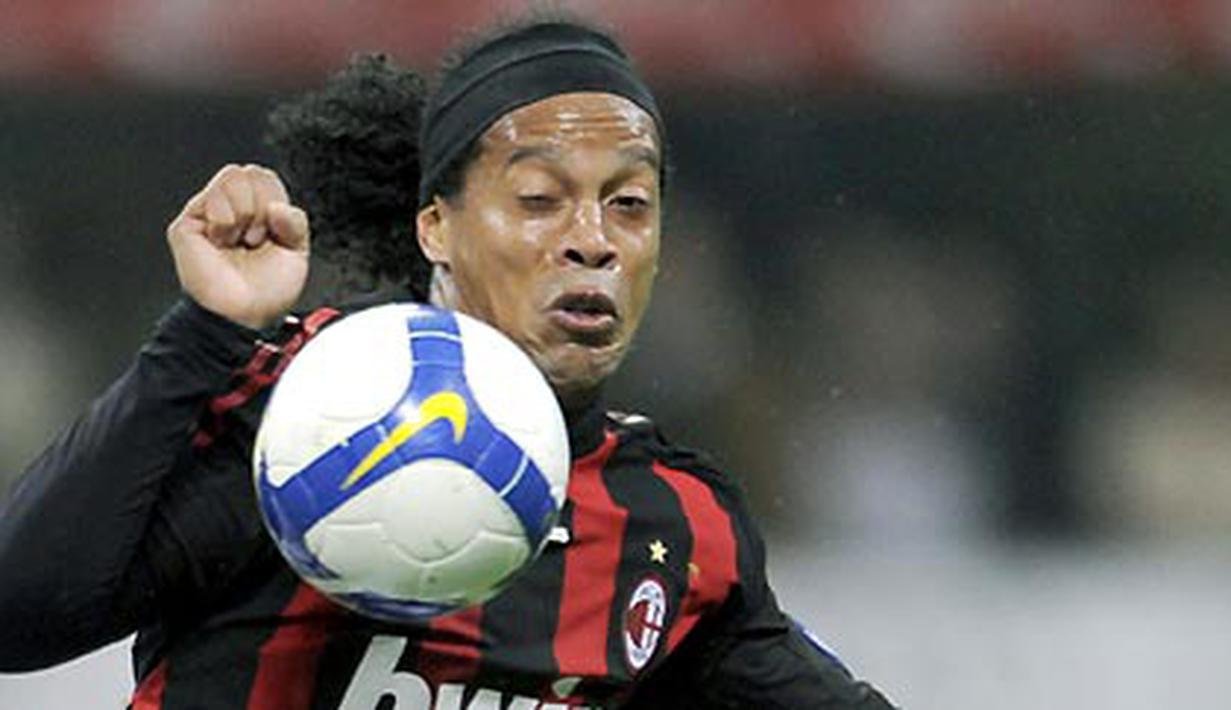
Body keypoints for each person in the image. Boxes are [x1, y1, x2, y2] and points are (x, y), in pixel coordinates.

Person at [0, 14, 897, 709]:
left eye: (628, 204)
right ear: (437, 226)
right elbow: (17, 617)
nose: (592, 241)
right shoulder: (297, 417)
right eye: (540, 199)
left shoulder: (673, 520)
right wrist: (199, 338)